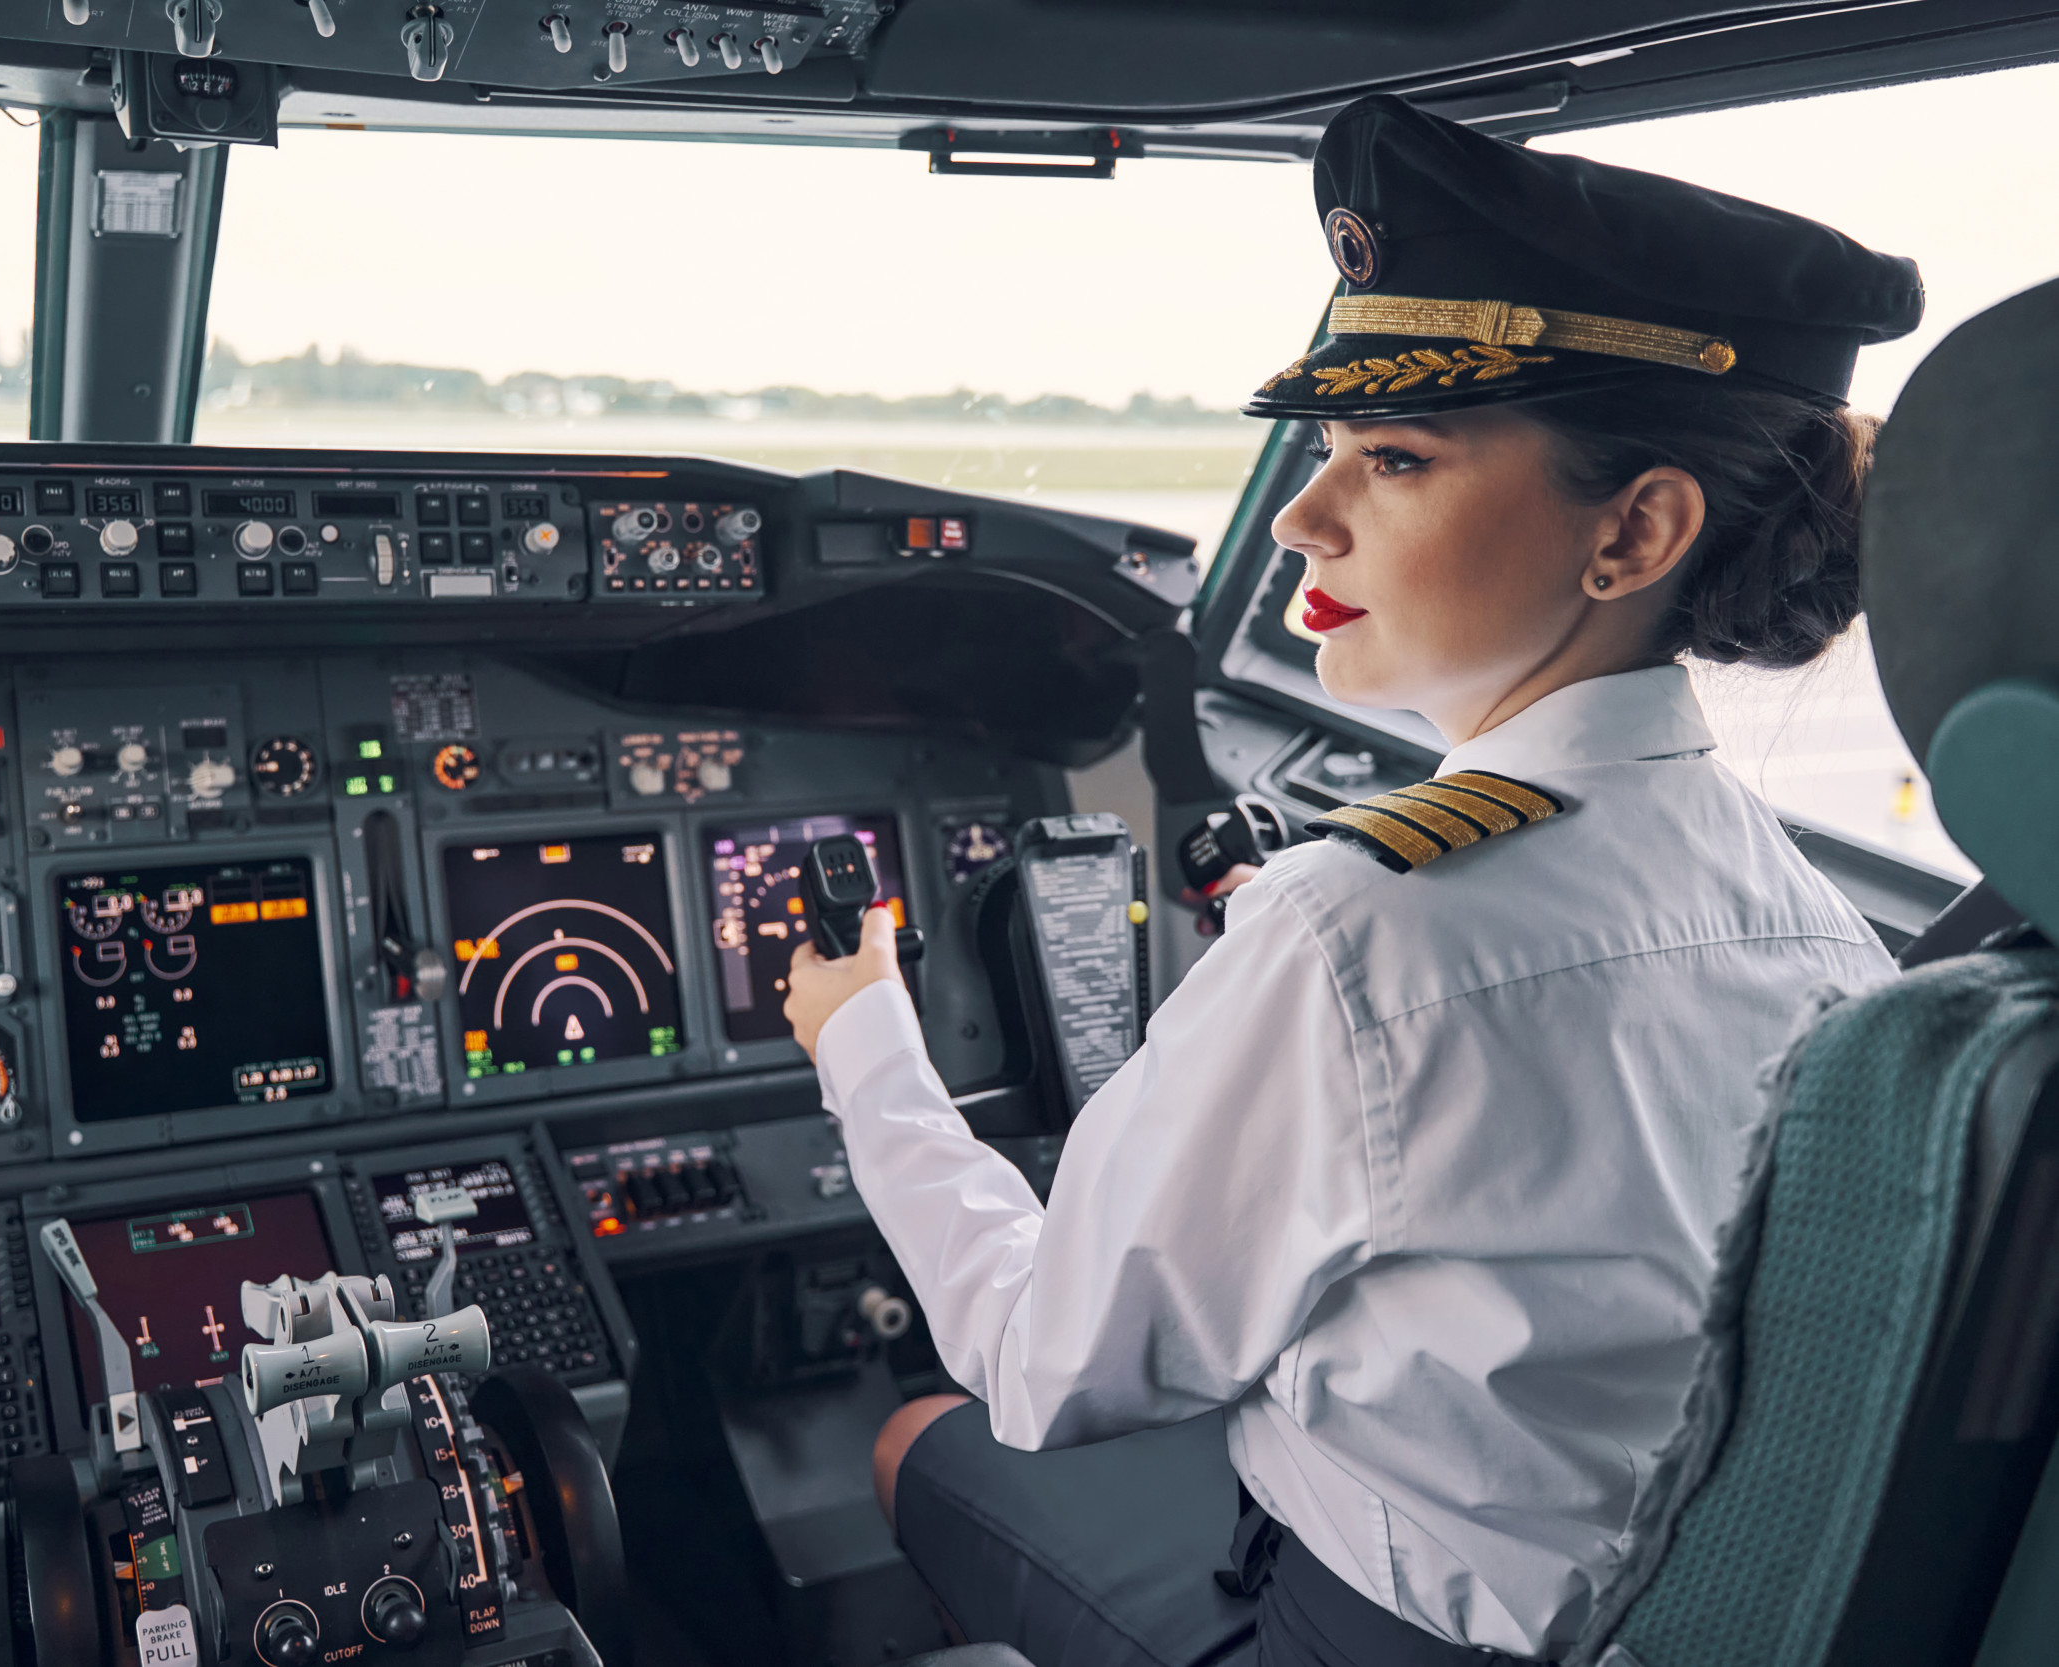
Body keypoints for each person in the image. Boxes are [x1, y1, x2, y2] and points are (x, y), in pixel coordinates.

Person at [784, 94, 1923, 1667]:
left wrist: (866, 1050)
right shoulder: (1836, 942)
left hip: (1362, 1632)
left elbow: (1038, 1366)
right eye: (1324, 453)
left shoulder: (1359, 932)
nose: (1308, 517)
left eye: (1393, 458)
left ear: (1637, 530)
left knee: (924, 1432)